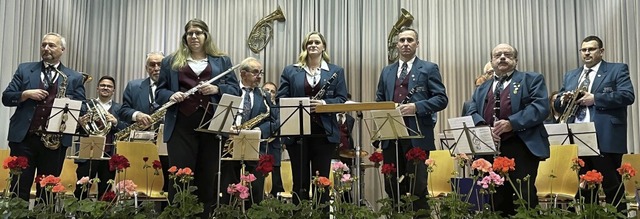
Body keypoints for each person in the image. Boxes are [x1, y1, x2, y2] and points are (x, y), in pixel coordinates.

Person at [155, 18, 240, 218]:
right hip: (181, 126)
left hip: (212, 124)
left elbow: (235, 89)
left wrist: (217, 88)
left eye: (198, 33)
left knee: (207, 177)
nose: (194, 37)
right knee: (180, 177)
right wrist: (171, 95)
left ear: (206, 36)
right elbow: (160, 92)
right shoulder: (171, 61)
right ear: (185, 37)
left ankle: (204, 215)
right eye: (190, 33)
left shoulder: (221, 60)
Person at [466, 43, 550, 216]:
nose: (502, 57)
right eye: (498, 55)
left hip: (521, 146)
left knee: (523, 196)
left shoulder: (532, 79)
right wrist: (483, 127)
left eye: (507, 54)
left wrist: (512, 123)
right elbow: (471, 110)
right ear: (492, 61)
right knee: (496, 198)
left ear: (516, 60)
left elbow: (540, 107)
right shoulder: (482, 88)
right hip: (492, 147)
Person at [2, 32, 86, 201]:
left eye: (51, 45)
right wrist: (25, 94)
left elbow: (82, 106)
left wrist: (69, 103)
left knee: (47, 193)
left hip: (55, 142)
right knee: (18, 188)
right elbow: (6, 97)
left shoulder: (75, 77)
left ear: (62, 49)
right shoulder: (24, 69)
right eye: (43, 45)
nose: (46, 48)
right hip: (24, 139)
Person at [555, 36, 634, 212]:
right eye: (584, 50)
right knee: (583, 189)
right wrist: (562, 99)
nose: (587, 53)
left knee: (612, 186)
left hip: (604, 137)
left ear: (601, 51)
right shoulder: (571, 75)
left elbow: (628, 96)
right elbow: (558, 105)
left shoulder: (616, 69)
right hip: (576, 137)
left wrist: (596, 99)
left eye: (591, 49)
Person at [375, 27, 448, 210]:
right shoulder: (386, 71)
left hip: (418, 137)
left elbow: (441, 99)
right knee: (391, 187)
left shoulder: (429, 68)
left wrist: (416, 107)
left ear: (417, 44)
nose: (406, 44)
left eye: (410, 40)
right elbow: (379, 101)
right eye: (402, 40)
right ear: (397, 44)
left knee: (418, 187)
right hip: (391, 136)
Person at [276, 31, 348, 205]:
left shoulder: (335, 71)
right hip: (297, 131)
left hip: (324, 132)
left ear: (323, 47)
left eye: (316, 42)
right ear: (304, 47)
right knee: (299, 181)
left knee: (321, 181)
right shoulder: (291, 71)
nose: (313, 45)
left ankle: (321, 214)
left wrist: (323, 103)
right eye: (309, 43)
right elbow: (281, 98)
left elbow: (341, 98)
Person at [219, 57, 278, 206]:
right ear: (243, 73)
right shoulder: (229, 90)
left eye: (261, 73)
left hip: (254, 147)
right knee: (228, 189)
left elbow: (275, 121)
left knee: (255, 193)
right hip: (228, 146)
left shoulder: (264, 96)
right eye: (255, 72)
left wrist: (259, 130)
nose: (259, 76)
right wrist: (227, 128)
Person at [119, 51, 171, 203]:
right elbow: (123, 110)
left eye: (160, 64)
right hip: (140, 146)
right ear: (146, 68)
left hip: (167, 143)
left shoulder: (174, 88)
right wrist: (137, 115)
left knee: (166, 185)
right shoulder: (133, 86)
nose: (156, 68)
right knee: (139, 185)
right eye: (152, 65)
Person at [75, 76, 126, 199]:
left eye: (109, 86)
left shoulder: (120, 108)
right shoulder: (86, 105)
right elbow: (74, 127)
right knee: (81, 190)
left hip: (108, 155)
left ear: (113, 90)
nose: (105, 88)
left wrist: (115, 122)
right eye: (103, 85)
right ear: (97, 88)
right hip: (88, 153)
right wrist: (80, 122)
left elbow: (126, 129)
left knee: (106, 192)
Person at [261, 81, 284, 197]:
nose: (269, 93)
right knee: (258, 177)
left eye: (272, 91)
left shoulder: (279, 107)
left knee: (276, 181)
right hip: (260, 145)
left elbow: (279, 123)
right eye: (266, 90)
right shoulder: (258, 104)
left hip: (274, 146)